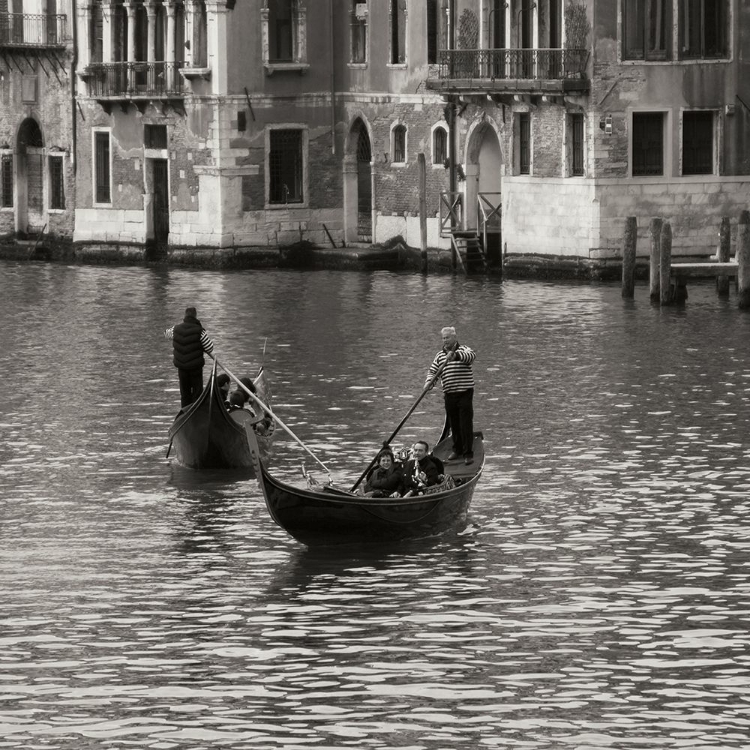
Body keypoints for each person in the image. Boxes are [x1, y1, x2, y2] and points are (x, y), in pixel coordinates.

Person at [424, 326, 476, 465]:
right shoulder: (440, 355)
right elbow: (433, 371)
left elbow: (471, 357)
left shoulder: (463, 349)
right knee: (454, 423)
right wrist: (429, 383)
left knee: (465, 423)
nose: (445, 340)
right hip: (449, 394)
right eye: (443, 338)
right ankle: (457, 449)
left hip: (464, 392)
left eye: (447, 337)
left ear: (454, 338)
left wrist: (455, 356)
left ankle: (467, 453)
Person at [165, 306, 215, 407]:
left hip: (182, 368)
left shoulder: (176, 329)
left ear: (185, 315)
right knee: (197, 394)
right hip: (195, 369)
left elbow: (166, 334)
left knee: (185, 394)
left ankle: (185, 413)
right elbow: (209, 348)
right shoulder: (200, 331)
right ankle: (197, 412)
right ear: (195, 316)